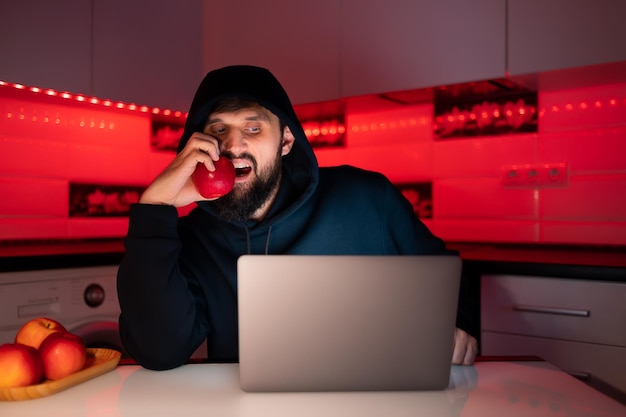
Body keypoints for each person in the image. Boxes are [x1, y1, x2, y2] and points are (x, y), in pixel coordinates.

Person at [117, 65, 479, 371]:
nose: (233, 145)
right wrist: (155, 209)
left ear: (286, 141)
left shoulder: (367, 198)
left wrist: (457, 326)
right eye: (218, 129)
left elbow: (447, 274)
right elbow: (158, 350)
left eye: (253, 128)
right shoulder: (194, 237)